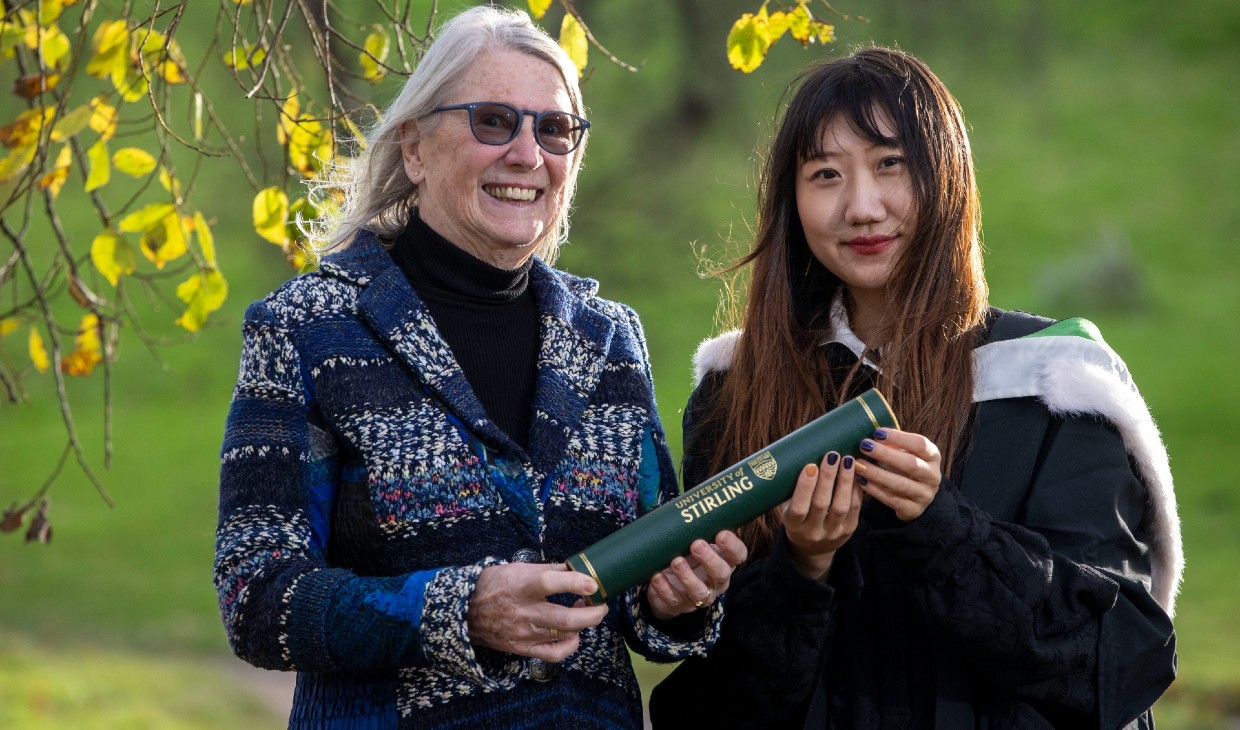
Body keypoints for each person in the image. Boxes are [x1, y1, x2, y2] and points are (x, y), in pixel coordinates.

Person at [213, 7, 745, 728]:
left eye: (553, 129)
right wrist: (458, 609)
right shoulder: (306, 329)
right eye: (494, 121)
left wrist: (672, 598)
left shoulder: (611, 338)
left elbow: (637, 585)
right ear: (415, 148)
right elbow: (257, 595)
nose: (528, 153)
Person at [649, 47, 1180, 729]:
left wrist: (942, 526)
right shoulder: (739, 393)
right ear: (792, 200)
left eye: (891, 165)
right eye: (826, 174)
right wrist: (801, 569)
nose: (861, 207)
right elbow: (712, 708)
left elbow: (1115, 664)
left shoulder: (1054, 384)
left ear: (948, 179)